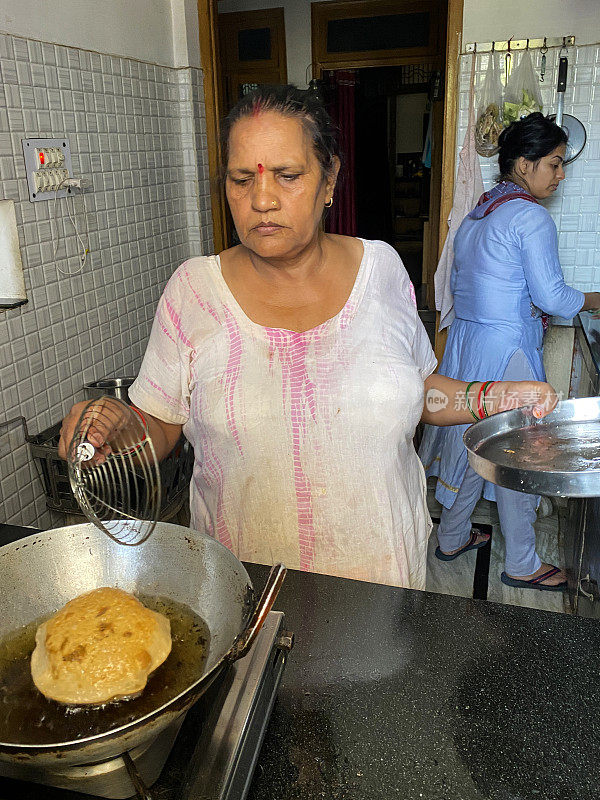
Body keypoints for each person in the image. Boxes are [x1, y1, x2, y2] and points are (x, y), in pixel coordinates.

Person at [58, 87, 557, 590]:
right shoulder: (194, 292)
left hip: (380, 576)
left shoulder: (380, 269)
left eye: (288, 175)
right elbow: (159, 428)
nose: (261, 199)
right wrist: (117, 430)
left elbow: (417, 390)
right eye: (239, 179)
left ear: (329, 179)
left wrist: (497, 397)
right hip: (247, 588)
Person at [419, 112, 600, 592]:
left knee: (476, 444)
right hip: (508, 348)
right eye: (556, 164)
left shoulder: (478, 215)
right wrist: (597, 299)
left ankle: (453, 536)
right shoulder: (530, 217)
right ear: (524, 165)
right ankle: (522, 563)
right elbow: (553, 298)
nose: (560, 175)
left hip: (467, 344)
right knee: (521, 455)